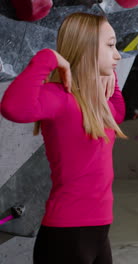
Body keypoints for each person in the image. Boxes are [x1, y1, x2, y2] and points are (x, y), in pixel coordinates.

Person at [0, 12, 125, 264]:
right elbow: (12, 108)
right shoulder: (60, 98)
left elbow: (118, 113)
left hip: (100, 229)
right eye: (110, 45)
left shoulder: (98, 105)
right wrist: (48, 58)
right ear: (86, 46)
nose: (118, 54)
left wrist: (112, 78)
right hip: (67, 233)